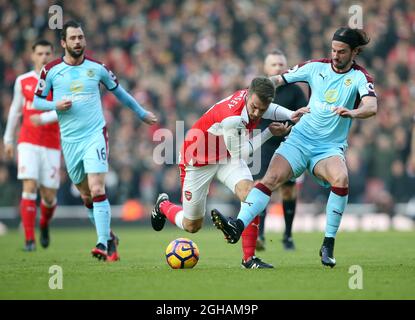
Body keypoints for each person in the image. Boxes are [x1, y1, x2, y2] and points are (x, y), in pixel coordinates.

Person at [212, 27, 378, 268]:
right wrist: (249, 94)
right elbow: (277, 80)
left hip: (328, 148)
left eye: (341, 51)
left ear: (354, 52)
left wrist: (352, 111)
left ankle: (328, 244)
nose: (335, 55)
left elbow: (371, 107)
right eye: (333, 50)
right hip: (299, 140)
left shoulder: (361, 77)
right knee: (270, 179)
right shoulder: (315, 67)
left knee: (341, 179)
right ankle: (237, 226)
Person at [151, 76, 309, 268]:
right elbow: (242, 152)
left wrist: (291, 114)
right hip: (197, 160)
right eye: (254, 107)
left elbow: (269, 109)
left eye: (262, 108)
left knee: (252, 195)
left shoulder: (253, 98)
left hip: (225, 156)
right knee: (192, 225)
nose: (257, 112)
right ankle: (163, 205)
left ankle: (248, 259)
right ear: (248, 96)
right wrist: (268, 133)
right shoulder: (232, 118)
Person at [33, 21, 157, 262]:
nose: (78, 42)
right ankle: (110, 237)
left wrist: (141, 113)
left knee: (98, 188)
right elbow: (37, 103)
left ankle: (101, 243)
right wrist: (55, 104)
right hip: (69, 141)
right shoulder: (50, 71)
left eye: (80, 37)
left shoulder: (98, 68)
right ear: (63, 43)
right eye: (73, 38)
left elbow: (120, 93)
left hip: (95, 135)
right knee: (87, 196)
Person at [3, 40, 60, 251]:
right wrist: (8, 139)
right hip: (27, 142)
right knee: (29, 186)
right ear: (32, 55)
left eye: (47, 53)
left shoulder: (59, 81)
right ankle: (29, 239)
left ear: (52, 55)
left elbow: (66, 109)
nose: (43, 57)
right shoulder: (23, 81)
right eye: (40, 53)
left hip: (52, 144)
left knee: (49, 196)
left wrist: (44, 118)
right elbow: (15, 110)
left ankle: (44, 225)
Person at [255, 49, 308, 251]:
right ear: (265, 68)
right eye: (274, 64)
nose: (278, 67)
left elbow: (304, 114)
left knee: (288, 190)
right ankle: (259, 234)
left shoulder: (294, 90)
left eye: (280, 64)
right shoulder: (258, 89)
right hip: (263, 145)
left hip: (287, 145)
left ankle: (287, 235)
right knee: (261, 187)